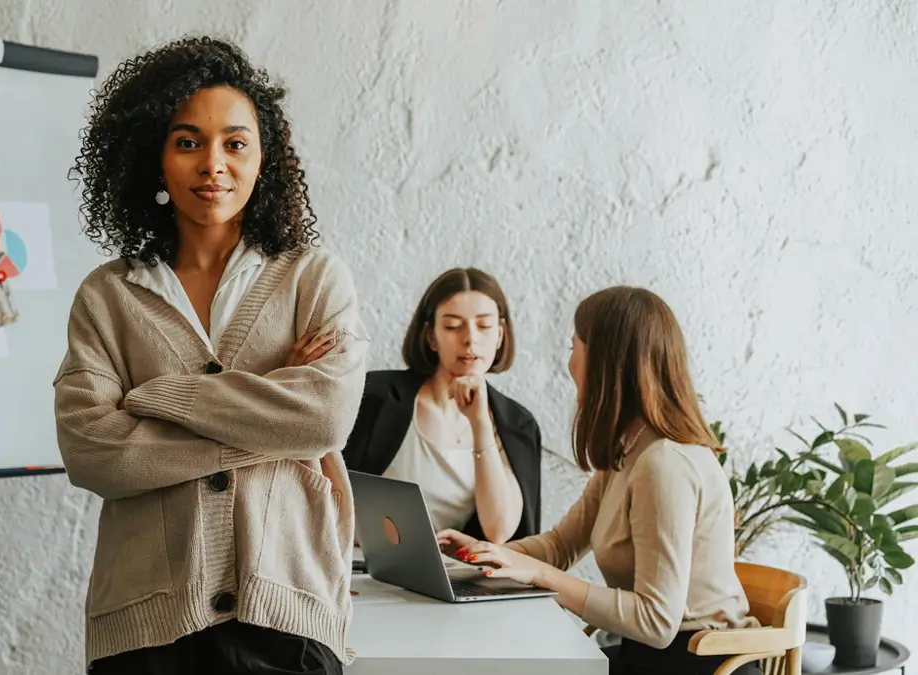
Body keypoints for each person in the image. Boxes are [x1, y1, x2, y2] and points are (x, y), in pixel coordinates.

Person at [54, 35, 369, 675]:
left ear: (264, 157)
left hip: (287, 617)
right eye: (188, 141)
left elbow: (325, 419)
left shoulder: (313, 279)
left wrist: (160, 399)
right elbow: (90, 448)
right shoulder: (109, 296)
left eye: (235, 143)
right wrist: (273, 408)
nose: (213, 164)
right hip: (144, 626)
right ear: (155, 156)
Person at [436, 286, 760, 675]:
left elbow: (656, 623)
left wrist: (538, 575)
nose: (569, 364)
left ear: (607, 363)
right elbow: (560, 546)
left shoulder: (664, 464)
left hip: (693, 664)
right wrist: (482, 555)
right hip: (648, 657)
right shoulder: (630, 450)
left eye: (575, 348)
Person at [342, 268, 542, 544]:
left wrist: (480, 422)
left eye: (484, 326)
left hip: (454, 580)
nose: (470, 339)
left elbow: (499, 532)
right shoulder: (373, 396)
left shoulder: (517, 424)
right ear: (431, 336)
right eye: (452, 326)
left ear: (500, 335)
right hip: (358, 572)